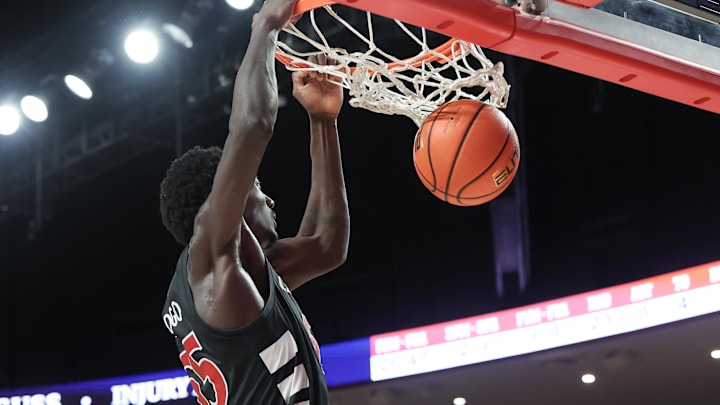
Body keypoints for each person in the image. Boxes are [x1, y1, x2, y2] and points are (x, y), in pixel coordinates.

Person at [158, 0, 349, 402]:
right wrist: (265, 25)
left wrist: (322, 121)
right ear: (228, 195)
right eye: (257, 187)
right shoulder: (213, 261)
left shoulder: (234, 279)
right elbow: (253, 125)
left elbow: (326, 247)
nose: (271, 201)